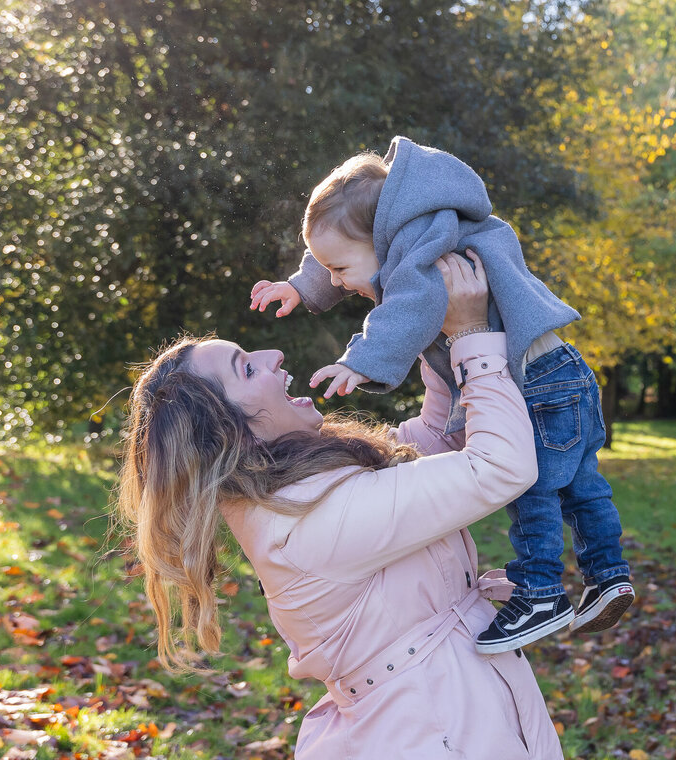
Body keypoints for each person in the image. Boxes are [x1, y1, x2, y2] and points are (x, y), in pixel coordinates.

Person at [118, 254, 564, 759]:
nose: (273, 355)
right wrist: (471, 337)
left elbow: (431, 443)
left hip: (453, 714)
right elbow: (499, 466)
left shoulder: (301, 487)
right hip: (432, 733)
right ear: (230, 431)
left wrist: (435, 330)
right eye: (247, 367)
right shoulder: (309, 522)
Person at [248, 137, 634, 654]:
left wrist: (359, 361)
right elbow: (346, 243)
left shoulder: (421, 252)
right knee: (583, 485)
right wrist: (304, 285)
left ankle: (540, 589)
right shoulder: (425, 220)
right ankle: (609, 573)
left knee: (533, 489)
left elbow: (412, 304)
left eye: (339, 272)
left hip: (534, 381)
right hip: (563, 369)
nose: (338, 282)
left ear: (382, 237)